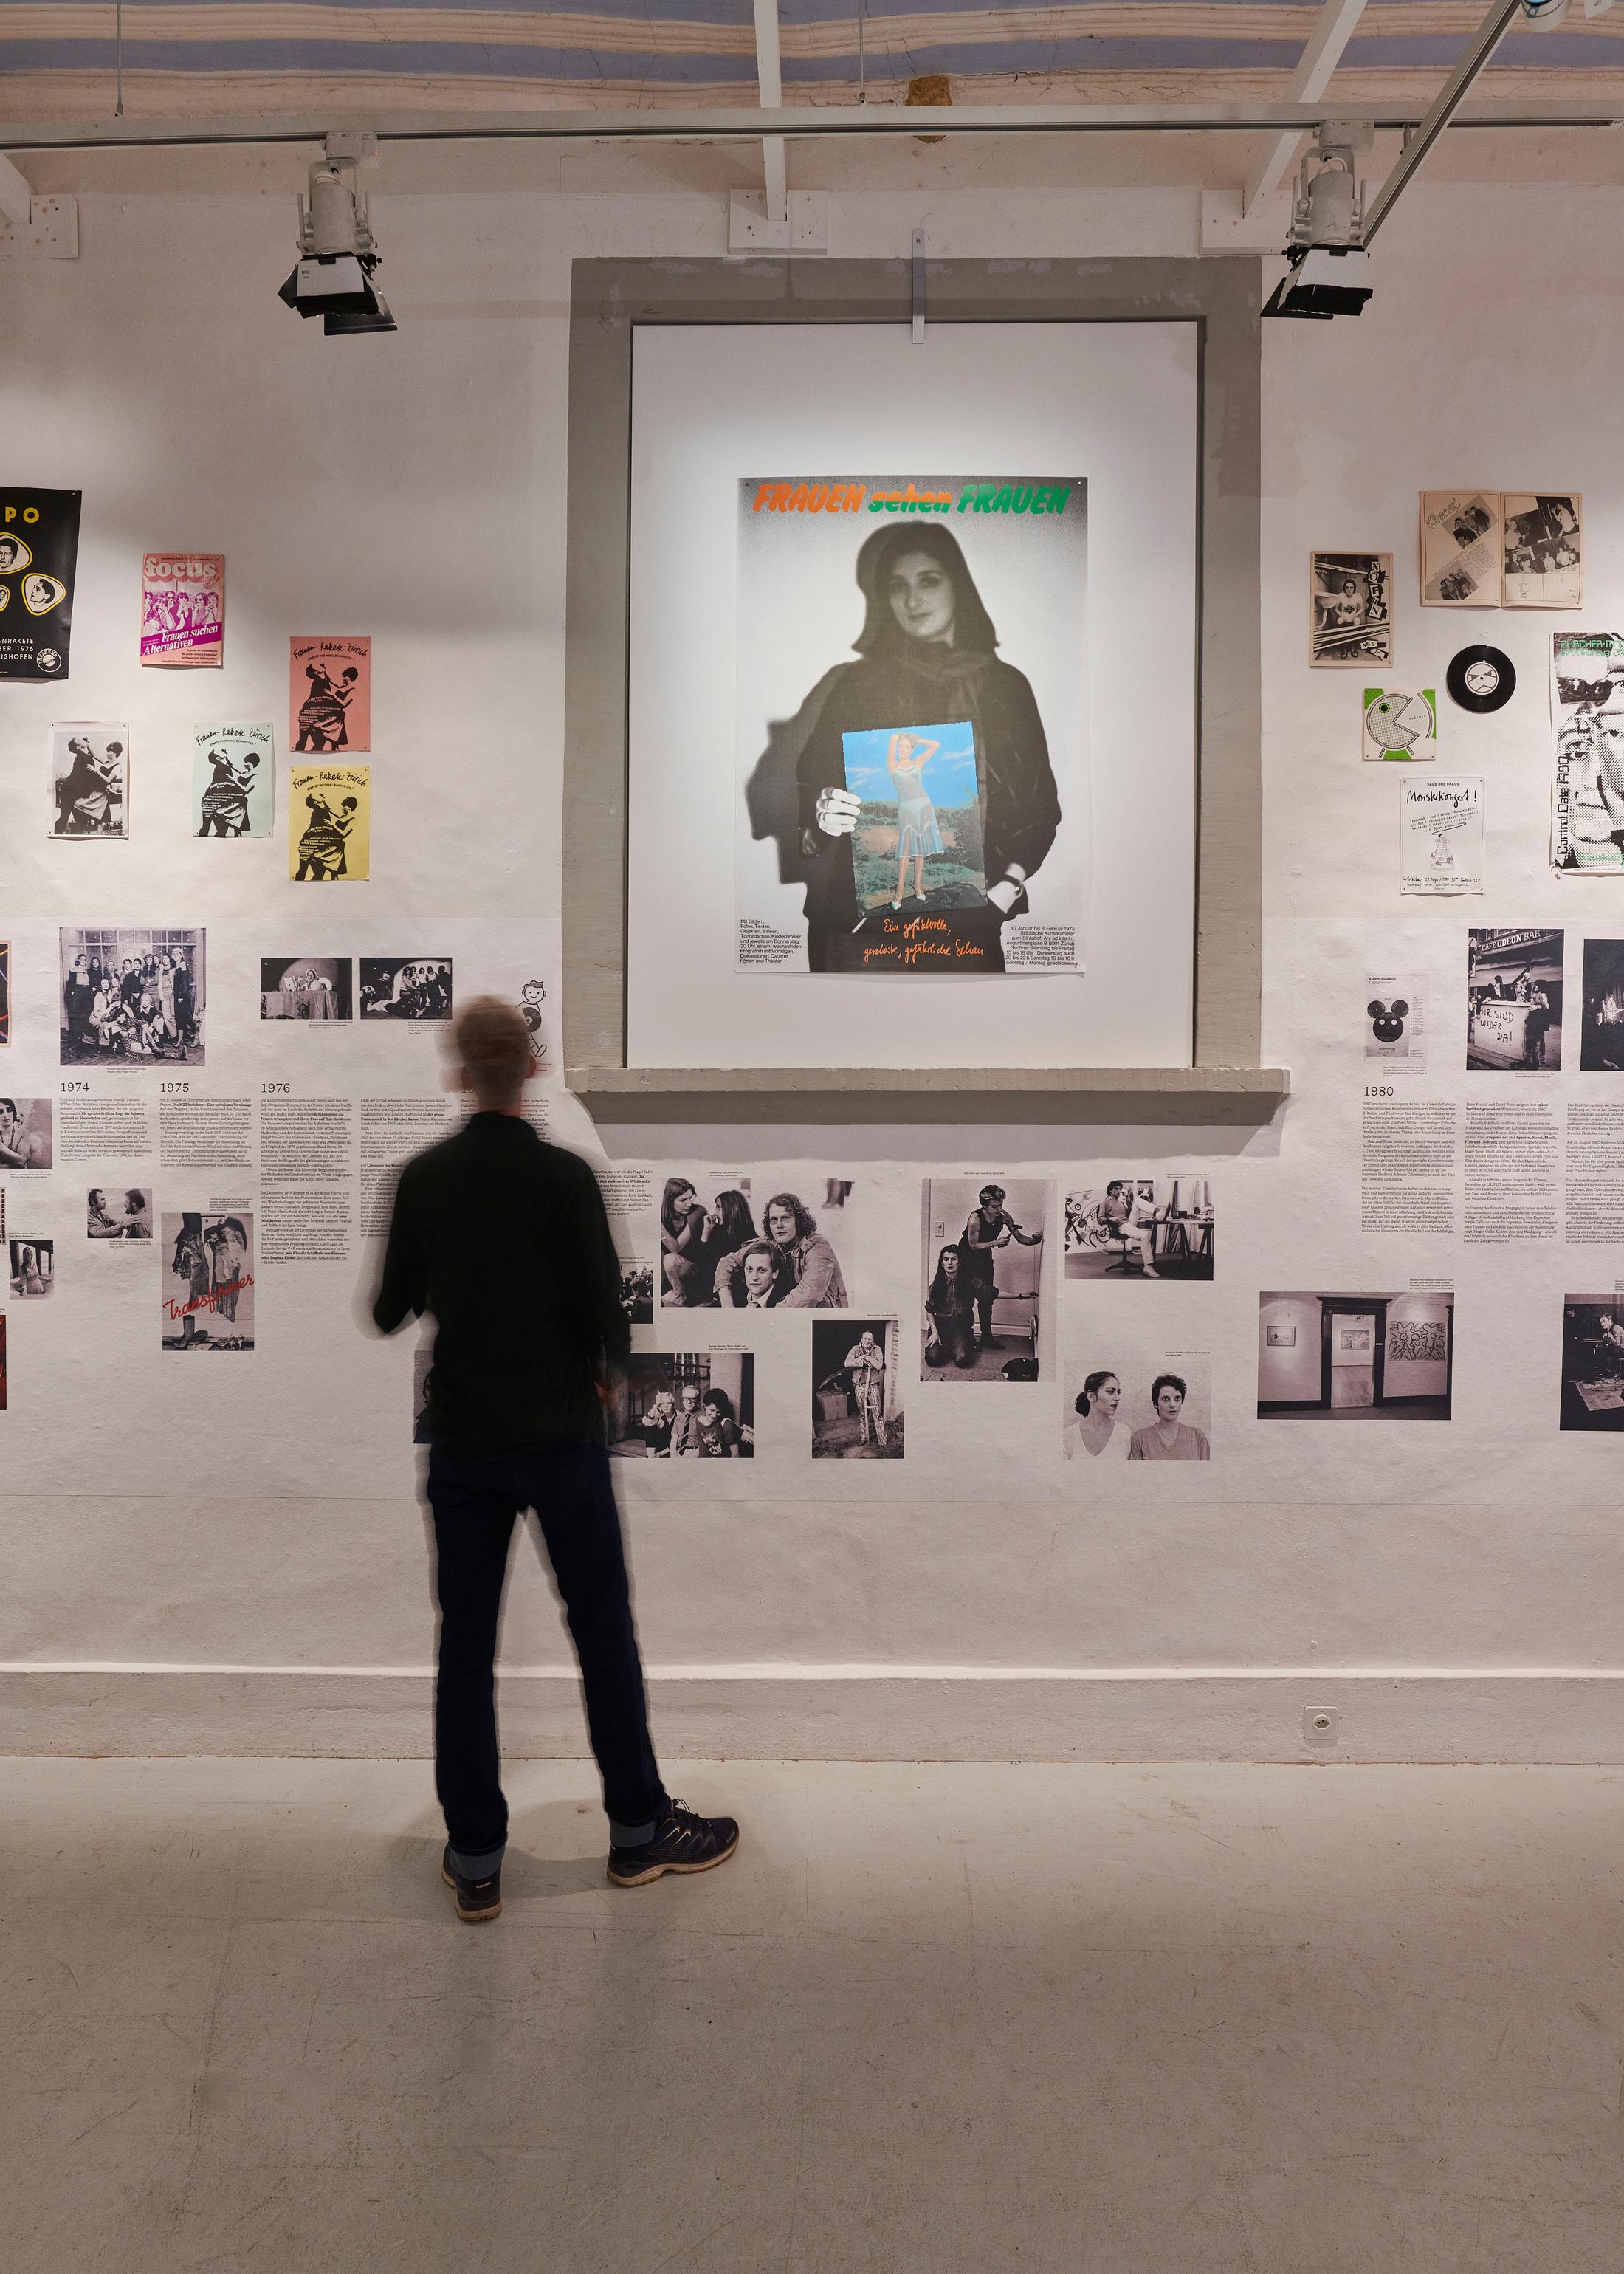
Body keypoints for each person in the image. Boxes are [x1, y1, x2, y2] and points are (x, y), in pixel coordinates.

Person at [370, 996, 737, 1920]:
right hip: (562, 1442)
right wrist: (606, 1372)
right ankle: (635, 1832)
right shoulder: (567, 1178)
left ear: (459, 1073)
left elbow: (388, 1308)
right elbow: (607, 1314)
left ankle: (477, 1854)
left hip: (465, 1442)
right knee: (603, 1630)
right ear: (530, 1068)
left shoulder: (423, 1178)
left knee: (465, 1646)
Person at [794, 524, 1062, 973]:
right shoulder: (856, 685)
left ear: (960, 584)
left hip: (969, 929)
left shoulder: (1005, 685)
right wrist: (821, 814)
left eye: (929, 581)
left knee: (966, 1043)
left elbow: (1040, 810)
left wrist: (1002, 894)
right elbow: (815, 786)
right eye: (897, 587)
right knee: (851, 1042)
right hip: (863, 933)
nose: (912, 601)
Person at [716, 1192, 846, 1308]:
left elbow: (809, 1295)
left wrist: (771, 1315)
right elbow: (726, 1263)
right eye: (774, 1220)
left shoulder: (818, 1247)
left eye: (785, 1218)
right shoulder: (770, 1241)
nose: (779, 1225)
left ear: (798, 1221)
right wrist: (727, 1305)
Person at [960, 1184, 1042, 1352]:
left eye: (1001, 1205)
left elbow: (1020, 1238)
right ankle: (967, 1337)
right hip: (966, 1259)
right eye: (995, 1206)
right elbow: (973, 1245)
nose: (999, 1209)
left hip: (984, 1259)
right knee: (966, 1299)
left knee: (987, 1298)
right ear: (984, 1205)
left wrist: (1035, 1240)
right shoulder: (975, 1218)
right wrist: (996, 1243)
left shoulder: (1004, 1216)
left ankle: (987, 1338)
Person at [887, 729, 943, 909]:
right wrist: (894, 740)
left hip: (924, 807)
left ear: (911, 749)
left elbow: (936, 745)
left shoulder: (918, 761)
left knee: (921, 848)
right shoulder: (892, 764)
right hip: (907, 809)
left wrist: (916, 741)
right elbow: (891, 747)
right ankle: (899, 892)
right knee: (907, 849)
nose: (903, 749)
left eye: (906, 747)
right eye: (900, 747)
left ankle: (918, 885)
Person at [1129, 1373, 1210, 1462]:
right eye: (1165, 1399)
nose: (1172, 1405)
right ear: (1156, 1404)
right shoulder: (1140, 1439)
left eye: (1177, 1398)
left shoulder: (1198, 1437)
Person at [1092, 1180, 1160, 1277]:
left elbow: (1129, 1215)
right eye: (1116, 1189)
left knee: (1138, 1201)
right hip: (1120, 1226)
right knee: (1144, 1235)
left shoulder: (1121, 1202)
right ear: (1111, 1190)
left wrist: (1127, 1204)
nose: (1119, 1191)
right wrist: (1110, 1218)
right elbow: (1100, 1220)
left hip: (1128, 1223)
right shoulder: (1105, 1202)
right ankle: (1148, 1267)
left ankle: (1158, 1214)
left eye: (1120, 1189)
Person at [924, 1243, 977, 1370]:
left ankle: (965, 1338)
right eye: (946, 1259)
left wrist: (1021, 1295)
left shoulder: (969, 1281)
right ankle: (947, 1345)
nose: (950, 1263)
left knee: (962, 1361)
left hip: (960, 1326)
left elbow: (991, 1292)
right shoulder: (936, 1285)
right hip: (940, 1327)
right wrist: (934, 1331)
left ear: (959, 1262)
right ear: (942, 1263)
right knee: (932, 1360)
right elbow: (929, 1310)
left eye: (954, 1259)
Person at [1064, 1371, 1131, 1460]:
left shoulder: (1124, 1433)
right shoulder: (1068, 1435)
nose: (1117, 1398)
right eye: (1110, 1392)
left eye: (1118, 1393)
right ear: (1091, 1396)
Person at [197, 747, 260, 837]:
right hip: (232, 800)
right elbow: (230, 765)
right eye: (245, 762)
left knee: (236, 830)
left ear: (253, 764)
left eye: (247, 762)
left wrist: (234, 781)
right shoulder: (243, 772)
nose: (245, 764)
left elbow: (246, 791)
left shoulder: (255, 777)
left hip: (239, 804)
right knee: (223, 825)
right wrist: (226, 756)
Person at [844, 1330, 887, 1447]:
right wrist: (861, 1361)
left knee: (877, 1413)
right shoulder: (855, 1349)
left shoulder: (877, 1349)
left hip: (873, 1384)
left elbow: (879, 1365)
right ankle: (864, 1437)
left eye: (870, 1339)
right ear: (861, 1339)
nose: (867, 1341)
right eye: (865, 1338)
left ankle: (882, 1441)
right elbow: (847, 1363)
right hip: (859, 1385)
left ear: (873, 1341)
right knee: (862, 1413)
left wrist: (866, 1357)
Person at [694, 1386, 746, 1458]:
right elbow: (703, 1452)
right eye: (712, 1410)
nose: (714, 1415)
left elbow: (735, 1455)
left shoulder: (727, 1425)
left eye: (718, 1412)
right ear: (705, 1406)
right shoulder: (699, 1422)